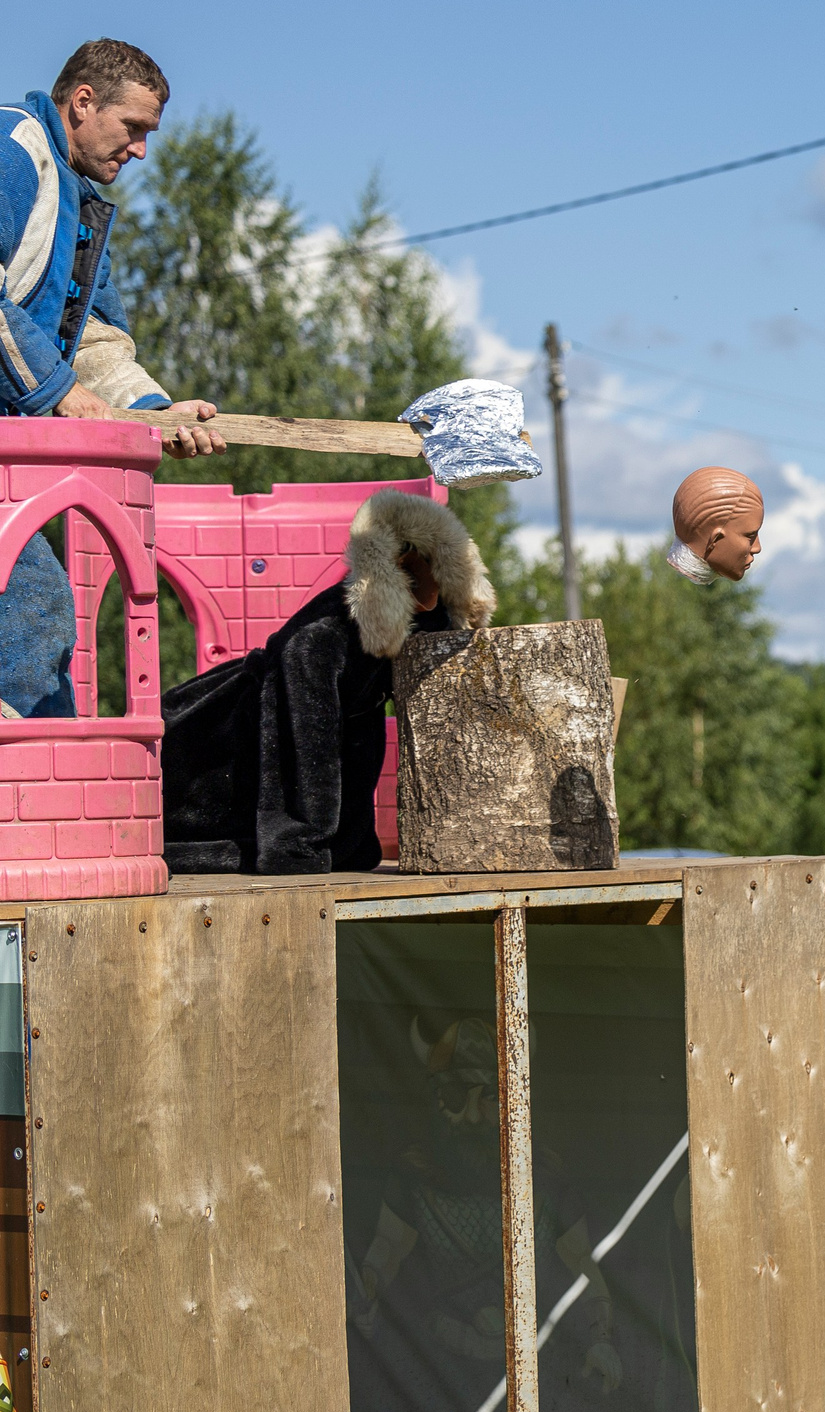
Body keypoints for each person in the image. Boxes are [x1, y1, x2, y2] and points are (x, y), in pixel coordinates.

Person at [0, 40, 226, 716]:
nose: (141, 151)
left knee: (38, 629)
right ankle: (30, 809)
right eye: (134, 129)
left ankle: (57, 799)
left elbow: (92, 336)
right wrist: (60, 393)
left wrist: (153, 414)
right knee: (34, 608)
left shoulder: (79, 200)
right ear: (83, 101)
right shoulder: (14, 150)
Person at [159, 489, 493, 873]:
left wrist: (351, 837)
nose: (439, 578)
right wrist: (302, 841)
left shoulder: (416, 627)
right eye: (432, 564)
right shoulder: (321, 636)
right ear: (403, 564)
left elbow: (358, 732)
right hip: (222, 738)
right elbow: (304, 737)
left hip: (260, 732)